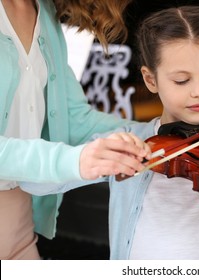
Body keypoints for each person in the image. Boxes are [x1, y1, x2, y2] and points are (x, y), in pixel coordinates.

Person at [22, 5, 199, 260]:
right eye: (181, 80)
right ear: (151, 79)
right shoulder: (131, 142)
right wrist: (85, 161)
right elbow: (35, 185)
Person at [0, 0, 151, 260]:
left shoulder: (42, 10)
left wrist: (162, 132)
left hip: (17, 223)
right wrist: (73, 160)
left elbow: (76, 118)